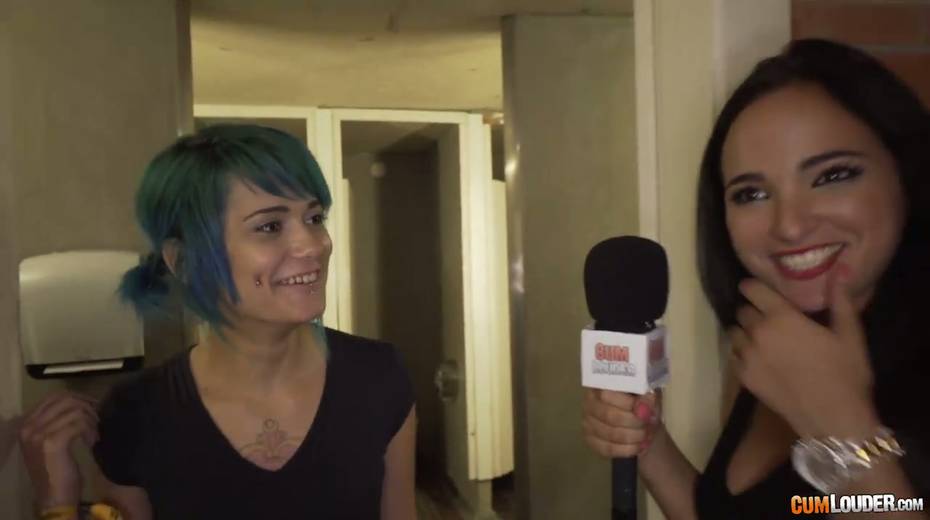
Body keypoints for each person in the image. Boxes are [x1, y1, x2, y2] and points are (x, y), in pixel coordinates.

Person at [582, 39, 930, 518]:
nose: (790, 226)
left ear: (906, 175)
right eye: (751, 194)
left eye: (832, 176)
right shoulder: (766, 346)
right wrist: (650, 446)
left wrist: (843, 426)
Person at [19, 124, 417, 519]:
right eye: (270, 226)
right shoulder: (135, 413)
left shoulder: (379, 376)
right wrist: (56, 504)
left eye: (314, 218)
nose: (314, 245)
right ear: (184, 260)